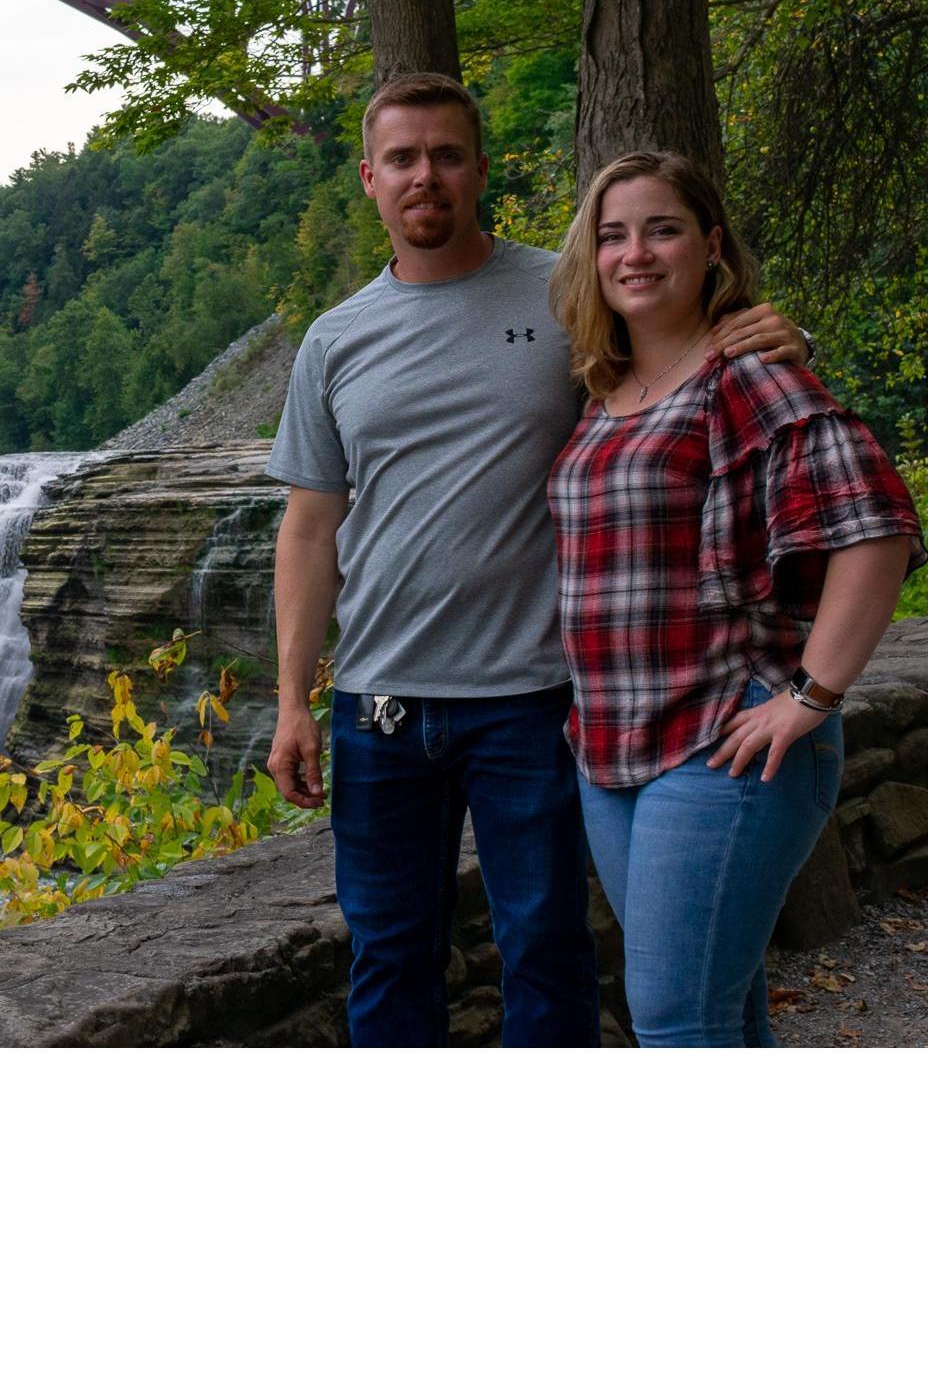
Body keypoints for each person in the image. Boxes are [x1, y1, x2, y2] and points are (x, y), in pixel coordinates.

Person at [264, 73, 808, 1047]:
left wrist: (772, 333)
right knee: (386, 956)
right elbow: (309, 527)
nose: (424, 175)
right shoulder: (333, 339)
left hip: (537, 697)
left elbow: (676, 349)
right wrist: (292, 700)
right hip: (378, 704)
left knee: (547, 951)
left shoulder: (565, 295)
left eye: (444, 155)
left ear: (479, 168)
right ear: (369, 178)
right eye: (401, 158)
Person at [545, 152, 922, 1047]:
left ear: (711, 245)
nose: (636, 253)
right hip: (612, 748)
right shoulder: (598, 390)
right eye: (613, 235)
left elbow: (876, 528)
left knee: (676, 1020)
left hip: (725, 738)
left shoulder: (749, 374)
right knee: (721, 1011)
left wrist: (811, 696)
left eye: (663, 229)